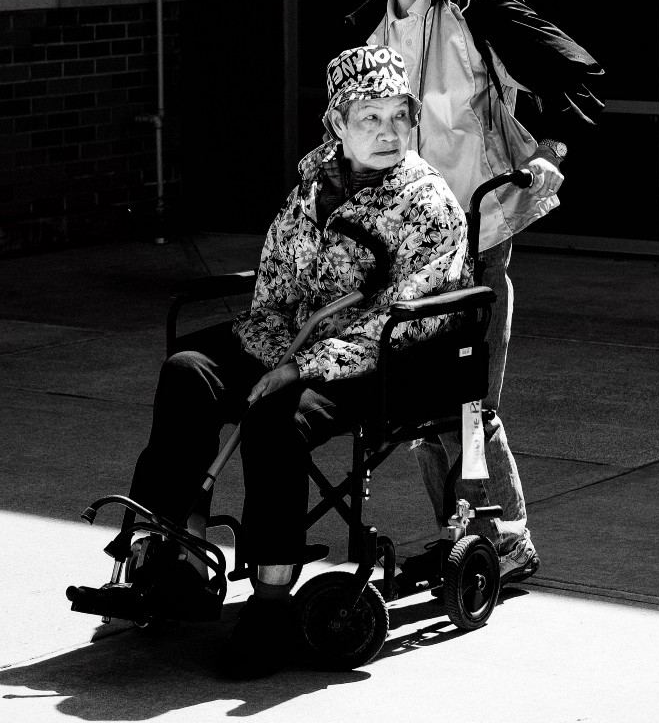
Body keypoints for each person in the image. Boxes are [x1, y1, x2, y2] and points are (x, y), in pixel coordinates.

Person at [126, 43, 472, 677]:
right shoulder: (311, 190)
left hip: (380, 363)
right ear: (338, 124)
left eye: (399, 115)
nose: (390, 131)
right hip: (298, 340)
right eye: (371, 118)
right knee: (188, 370)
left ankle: (270, 606)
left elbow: (416, 310)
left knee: (274, 421)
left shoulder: (425, 201)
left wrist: (302, 367)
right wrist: (264, 351)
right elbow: (278, 294)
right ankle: (172, 549)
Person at [329, 0, 604, 587]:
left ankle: (502, 534)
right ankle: (465, 534)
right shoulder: (371, 24)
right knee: (420, 405)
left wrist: (548, 152)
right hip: (404, 245)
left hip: (476, 234)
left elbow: (576, 80)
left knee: (466, 403)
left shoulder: (480, 7)